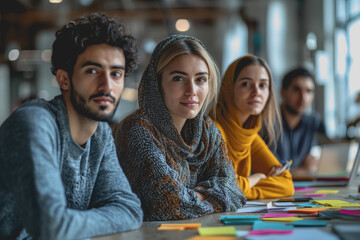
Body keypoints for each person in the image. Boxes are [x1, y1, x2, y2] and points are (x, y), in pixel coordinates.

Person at [0, 13, 143, 240]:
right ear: (64, 79)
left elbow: (129, 210)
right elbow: (51, 226)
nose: (107, 86)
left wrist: (69, 223)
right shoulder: (34, 125)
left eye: (116, 74)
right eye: (93, 71)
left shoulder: (101, 134)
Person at [111, 35, 246, 221]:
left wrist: (189, 197)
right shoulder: (138, 130)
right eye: (178, 78)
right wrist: (213, 195)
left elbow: (235, 191)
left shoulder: (208, 131)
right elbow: (170, 205)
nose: (192, 90)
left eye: (200, 79)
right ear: (157, 84)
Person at [209, 54, 294, 200]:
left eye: (262, 85)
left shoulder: (249, 135)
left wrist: (244, 189)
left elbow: (287, 184)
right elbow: (223, 189)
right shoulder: (213, 131)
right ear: (229, 88)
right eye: (246, 84)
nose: (256, 92)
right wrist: (257, 178)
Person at [272, 67, 328, 176]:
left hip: (303, 186)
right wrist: (303, 170)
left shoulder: (313, 122)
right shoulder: (267, 124)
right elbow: (270, 173)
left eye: (309, 91)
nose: (303, 97)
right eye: (297, 90)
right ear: (283, 93)